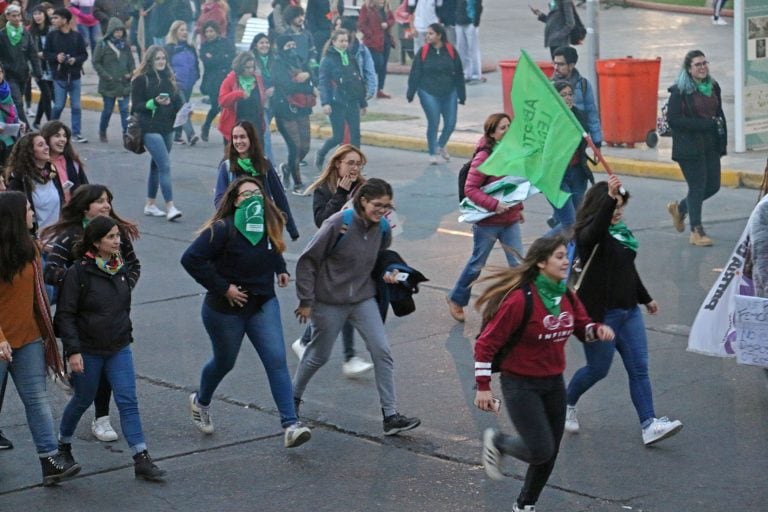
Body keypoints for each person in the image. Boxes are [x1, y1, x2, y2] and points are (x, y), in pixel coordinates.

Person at [475, 235, 615, 512]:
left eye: (567, 256)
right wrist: (483, 386)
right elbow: (485, 344)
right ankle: (499, 442)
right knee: (540, 449)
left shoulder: (565, 294)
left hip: (553, 382)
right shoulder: (519, 300)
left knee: (550, 451)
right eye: (560, 257)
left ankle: (525, 505)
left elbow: (580, 327)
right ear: (541, 262)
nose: (566, 262)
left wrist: (595, 330)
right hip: (520, 384)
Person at [181, 176, 312, 448]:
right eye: (245, 195)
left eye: (257, 193)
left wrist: (281, 269)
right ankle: (201, 400)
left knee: (276, 360)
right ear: (234, 200)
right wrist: (223, 287)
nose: (252, 199)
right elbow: (191, 259)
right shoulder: (221, 229)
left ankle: (291, 424)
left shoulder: (265, 224)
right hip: (225, 310)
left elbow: (272, 247)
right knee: (224, 362)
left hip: (262, 303)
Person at [293, 177, 422, 435]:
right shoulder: (339, 223)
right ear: (363, 201)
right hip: (329, 301)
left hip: (363, 298)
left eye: (387, 206)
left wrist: (389, 271)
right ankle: (291, 401)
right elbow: (307, 261)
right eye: (378, 204)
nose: (383, 210)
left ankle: (391, 416)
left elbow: (381, 255)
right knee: (318, 356)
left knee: (382, 350)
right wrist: (306, 301)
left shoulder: (382, 226)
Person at [565, 176, 684, 446]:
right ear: (601, 206)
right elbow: (594, 233)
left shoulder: (622, 235)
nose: (619, 211)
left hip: (628, 313)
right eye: (614, 206)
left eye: (621, 206)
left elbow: (627, 271)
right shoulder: (587, 237)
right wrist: (609, 198)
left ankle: (649, 424)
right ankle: (567, 402)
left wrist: (645, 298)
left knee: (639, 368)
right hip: (601, 317)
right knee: (598, 370)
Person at [55, 216, 165, 481]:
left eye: (118, 236)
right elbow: (65, 315)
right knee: (83, 399)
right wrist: (73, 351)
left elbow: (121, 307)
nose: (118, 241)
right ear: (96, 242)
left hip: (119, 347)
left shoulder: (120, 267)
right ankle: (63, 446)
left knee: (128, 401)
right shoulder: (78, 272)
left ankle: (141, 457)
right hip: (88, 350)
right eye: (111, 237)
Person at [41, 184, 140, 444]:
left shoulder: (116, 234)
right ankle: (64, 440)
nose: (106, 205)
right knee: (86, 386)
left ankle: (103, 418)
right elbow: (51, 271)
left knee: (113, 374)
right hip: (80, 319)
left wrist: (121, 285)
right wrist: (82, 282)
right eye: (99, 201)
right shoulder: (70, 236)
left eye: (108, 200)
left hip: (113, 319)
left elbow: (133, 265)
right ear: (86, 207)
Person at [0, 190, 81, 486]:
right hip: (0, 343)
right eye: (28, 209)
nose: (33, 213)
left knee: (37, 400)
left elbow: (38, 296)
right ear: (14, 216)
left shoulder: (31, 248)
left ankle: (49, 461)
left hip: (28, 339)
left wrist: (49, 332)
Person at [292, 144, 374, 376]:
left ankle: (308, 341)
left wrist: (383, 208)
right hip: (330, 257)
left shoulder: (365, 188)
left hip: (356, 255)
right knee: (343, 303)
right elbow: (322, 222)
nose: (355, 168)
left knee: (340, 303)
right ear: (338, 164)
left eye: (358, 163)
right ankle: (348, 357)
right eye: (350, 163)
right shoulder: (324, 190)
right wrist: (340, 194)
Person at [446, 113, 523, 322]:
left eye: (509, 126)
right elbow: (470, 189)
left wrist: (519, 209)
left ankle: (522, 307)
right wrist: (494, 205)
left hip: (510, 219)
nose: (507, 131)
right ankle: (456, 299)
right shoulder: (484, 157)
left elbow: (513, 185)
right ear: (491, 133)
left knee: (518, 265)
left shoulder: (511, 152)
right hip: (488, 222)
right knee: (477, 265)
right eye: (502, 128)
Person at [666, 50, 726, 247]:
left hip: (710, 145)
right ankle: (696, 231)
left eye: (704, 63)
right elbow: (673, 120)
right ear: (689, 69)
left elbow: (719, 113)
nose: (702, 68)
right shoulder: (679, 92)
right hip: (689, 147)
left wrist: (722, 140)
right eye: (697, 65)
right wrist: (703, 125)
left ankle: (681, 208)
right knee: (697, 186)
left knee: (713, 185)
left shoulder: (713, 86)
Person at [213, 121, 300, 241]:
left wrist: (292, 228)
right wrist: (227, 221)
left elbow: (279, 196)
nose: (238, 141)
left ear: (251, 139)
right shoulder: (226, 167)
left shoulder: (264, 164)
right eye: (235, 138)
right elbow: (219, 200)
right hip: (236, 229)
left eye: (243, 137)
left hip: (263, 227)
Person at [130, 44, 184, 221]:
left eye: (163, 58)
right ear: (150, 60)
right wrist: (153, 102)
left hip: (167, 127)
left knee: (157, 166)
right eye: (157, 59)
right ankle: (170, 206)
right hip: (149, 128)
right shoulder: (141, 79)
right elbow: (136, 106)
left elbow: (176, 102)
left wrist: (182, 110)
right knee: (165, 165)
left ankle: (150, 204)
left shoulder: (169, 78)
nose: (161, 62)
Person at [406, 22, 465, 165]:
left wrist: (462, 95)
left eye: (431, 33)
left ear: (439, 35)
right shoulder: (424, 51)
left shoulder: (451, 51)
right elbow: (415, 72)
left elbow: (459, 73)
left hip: (449, 91)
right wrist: (411, 92)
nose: (427, 36)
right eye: (427, 33)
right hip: (428, 91)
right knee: (434, 121)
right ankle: (432, 152)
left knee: (450, 123)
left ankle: (440, 144)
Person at [315, 29, 367, 173]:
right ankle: (321, 153)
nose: (344, 44)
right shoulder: (328, 60)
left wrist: (363, 103)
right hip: (336, 102)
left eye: (346, 41)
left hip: (352, 101)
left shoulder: (351, 58)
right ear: (334, 42)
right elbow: (324, 82)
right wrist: (325, 102)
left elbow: (358, 82)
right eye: (341, 41)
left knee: (355, 134)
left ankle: (356, 165)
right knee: (338, 136)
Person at [543, 81, 591, 236]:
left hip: (577, 173)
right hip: (556, 177)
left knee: (577, 220)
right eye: (563, 95)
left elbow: (585, 138)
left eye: (570, 94)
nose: (568, 98)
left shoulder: (578, 116)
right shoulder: (548, 120)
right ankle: (541, 248)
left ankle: (567, 256)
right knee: (570, 224)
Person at [271, 33, 314, 194]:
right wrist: (302, 81)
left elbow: (313, 79)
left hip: (302, 108)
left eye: (293, 45)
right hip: (285, 110)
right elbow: (286, 85)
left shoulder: (300, 61)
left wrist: (308, 76)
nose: (291, 48)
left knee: (305, 147)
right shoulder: (278, 64)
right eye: (287, 46)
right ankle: (298, 183)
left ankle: (287, 168)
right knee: (295, 148)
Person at [3, 132, 62, 235]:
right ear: (30, 151)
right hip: (36, 239)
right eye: (40, 145)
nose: (46, 147)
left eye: (46, 144)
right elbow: (16, 216)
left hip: (56, 236)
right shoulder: (19, 179)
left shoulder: (51, 171)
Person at [44, 8, 89, 143]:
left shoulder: (77, 36)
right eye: (52, 18)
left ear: (65, 20)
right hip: (59, 76)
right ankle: (50, 131)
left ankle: (76, 133)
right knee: (58, 106)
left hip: (74, 76)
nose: (53, 21)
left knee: (76, 106)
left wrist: (75, 60)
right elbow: (46, 54)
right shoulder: (52, 36)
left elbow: (84, 54)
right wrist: (56, 57)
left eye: (56, 18)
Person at [92, 17, 134, 143]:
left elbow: (131, 62)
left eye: (121, 31)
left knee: (124, 110)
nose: (119, 34)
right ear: (111, 31)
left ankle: (126, 134)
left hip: (123, 83)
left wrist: (131, 73)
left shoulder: (125, 45)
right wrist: (106, 76)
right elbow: (96, 62)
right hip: (109, 84)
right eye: (116, 31)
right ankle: (102, 130)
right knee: (108, 110)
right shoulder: (102, 44)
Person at [0, 4, 42, 127]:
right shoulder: (2, 35)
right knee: (17, 102)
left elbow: (33, 54)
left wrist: (37, 71)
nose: (17, 18)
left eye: (18, 15)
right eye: (14, 16)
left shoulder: (25, 33)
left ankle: (14, 125)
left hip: (23, 74)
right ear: (7, 17)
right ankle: (26, 128)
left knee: (18, 102)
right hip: (8, 74)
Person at [552, 46, 602, 148]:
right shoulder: (550, 86)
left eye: (561, 64)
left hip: (579, 143)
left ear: (571, 65)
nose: (556, 68)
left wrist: (597, 143)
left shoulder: (583, 85)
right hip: (557, 143)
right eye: (555, 63)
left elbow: (592, 115)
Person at [218, 51, 266, 148]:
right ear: (240, 67)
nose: (250, 70)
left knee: (257, 156)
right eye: (247, 67)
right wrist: (238, 94)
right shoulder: (230, 80)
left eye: (252, 67)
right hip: (236, 124)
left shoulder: (257, 79)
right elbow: (222, 101)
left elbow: (261, 99)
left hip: (255, 124)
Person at [165, 20, 199, 146]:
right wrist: (172, 78)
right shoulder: (169, 48)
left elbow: (195, 63)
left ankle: (177, 136)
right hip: (176, 84)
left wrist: (196, 76)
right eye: (181, 30)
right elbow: (165, 65)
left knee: (180, 109)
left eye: (186, 30)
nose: (185, 32)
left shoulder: (190, 47)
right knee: (184, 108)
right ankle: (191, 135)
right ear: (175, 32)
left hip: (189, 83)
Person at [199, 20, 234, 143]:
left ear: (217, 32)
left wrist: (215, 57)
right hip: (212, 81)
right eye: (207, 31)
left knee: (225, 106)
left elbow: (230, 58)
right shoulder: (204, 47)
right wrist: (219, 57)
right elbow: (208, 62)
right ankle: (207, 125)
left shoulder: (225, 43)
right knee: (216, 105)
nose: (209, 34)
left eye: (211, 31)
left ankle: (226, 131)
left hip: (226, 79)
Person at [41, 120, 89, 205]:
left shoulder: (72, 162)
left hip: (73, 212)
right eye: (57, 136)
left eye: (64, 136)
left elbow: (85, 187)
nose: (62, 139)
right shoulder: (39, 164)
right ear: (46, 138)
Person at [358, 0, 395, 99]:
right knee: (377, 64)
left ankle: (380, 89)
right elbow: (362, 24)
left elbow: (392, 19)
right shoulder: (367, 8)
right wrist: (370, 34)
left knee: (383, 67)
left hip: (385, 40)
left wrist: (387, 24)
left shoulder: (386, 8)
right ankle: (367, 85)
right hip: (373, 42)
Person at [250, 32, 276, 163]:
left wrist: (275, 88)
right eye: (261, 43)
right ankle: (271, 166)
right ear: (255, 45)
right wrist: (263, 90)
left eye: (266, 42)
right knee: (265, 134)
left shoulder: (275, 59)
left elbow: (281, 77)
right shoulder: (251, 61)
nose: (264, 45)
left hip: (276, 102)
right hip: (260, 103)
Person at [29, 4, 53, 130]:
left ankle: (37, 121)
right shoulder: (31, 32)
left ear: (45, 15)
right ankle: (51, 125)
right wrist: (36, 55)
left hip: (53, 68)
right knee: (47, 95)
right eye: (35, 14)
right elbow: (28, 51)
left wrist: (48, 54)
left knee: (46, 95)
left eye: (40, 13)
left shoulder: (52, 30)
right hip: (38, 69)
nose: (37, 16)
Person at [455, 0, 484, 84]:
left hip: (470, 22)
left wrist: (476, 22)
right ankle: (466, 73)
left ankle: (476, 75)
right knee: (461, 50)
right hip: (459, 21)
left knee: (473, 50)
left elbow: (478, 5)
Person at [0, 62, 19, 167]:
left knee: (8, 176)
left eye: (0, 72)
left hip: (9, 141)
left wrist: (19, 122)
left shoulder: (6, 91)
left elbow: (11, 111)